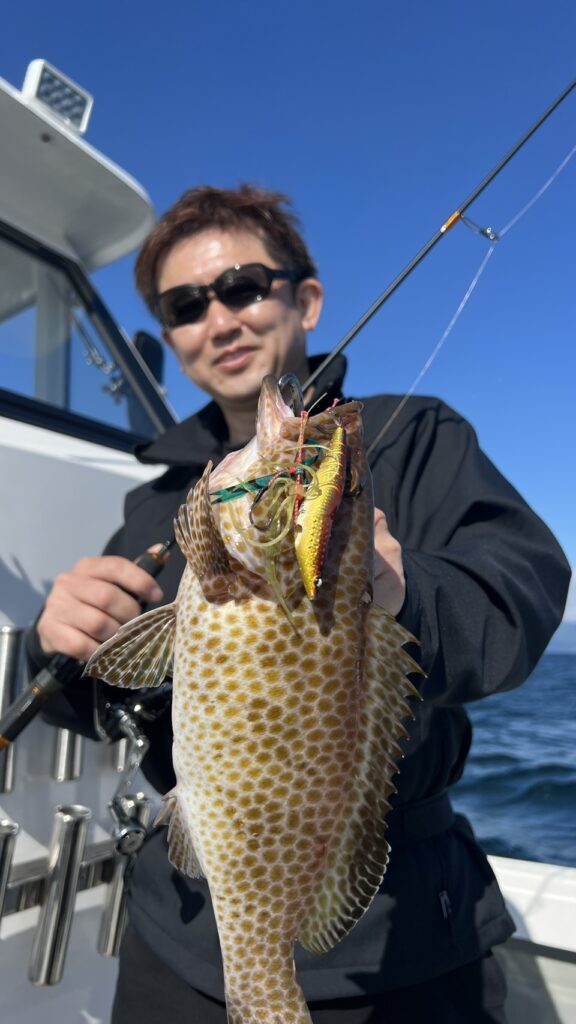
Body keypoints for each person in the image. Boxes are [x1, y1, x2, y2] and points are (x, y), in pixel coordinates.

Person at [27, 185, 570, 1024]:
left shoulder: (412, 437)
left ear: (305, 300)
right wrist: (59, 647)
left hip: (399, 947)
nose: (220, 320)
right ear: (171, 338)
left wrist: (402, 595)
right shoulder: (152, 502)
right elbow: (105, 704)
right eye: (186, 306)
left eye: (243, 286)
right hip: (175, 930)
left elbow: (517, 597)